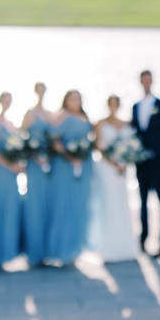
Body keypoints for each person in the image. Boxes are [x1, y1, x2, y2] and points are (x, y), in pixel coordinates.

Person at [132, 71, 160, 257]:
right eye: (143, 79)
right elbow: (134, 133)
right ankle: (143, 239)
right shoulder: (135, 106)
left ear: (152, 81)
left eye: (148, 79)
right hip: (141, 164)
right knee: (142, 203)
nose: (146, 82)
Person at [92, 95, 141, 263]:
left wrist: (125, 161)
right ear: (107, 105)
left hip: (123, 168)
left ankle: (126, 246)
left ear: (119, 105)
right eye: (110, 103)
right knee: (109, 203)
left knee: (122, 202)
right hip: (107, 167)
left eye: (116, 103)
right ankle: (109, 247)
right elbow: (99, 148)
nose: (113, 106)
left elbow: (132, 145)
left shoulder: (126, 124)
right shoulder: (100, 123)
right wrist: (114, 163)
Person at [48, 90, 93, 265]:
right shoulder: (64, 117)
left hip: (84, 165)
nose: (76, 101)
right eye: (72, 98)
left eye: (78, 98)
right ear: (66, 101)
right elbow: (53, 139)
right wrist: (69, 154)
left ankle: (77, 247)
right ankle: (64, 249)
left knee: (81, 206)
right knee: (66, 205)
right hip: (67, 166)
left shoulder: (84, 116)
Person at [0, 92, 24, 269]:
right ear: (0, 101)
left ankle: (8, 253)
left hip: (12, 173)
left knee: (11, 208)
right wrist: (11, 165)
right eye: (5, 99)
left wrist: (18, 164)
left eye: (10, 100)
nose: (7, 103)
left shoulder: (11, 124)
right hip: (1, 171)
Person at [21, 82, 52, 267]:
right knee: (35, 205)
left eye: (43, 89)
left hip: (48, 166)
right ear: (35, 91)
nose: (41, 92)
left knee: (48, 205)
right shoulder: (30, 113)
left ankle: (47, 250)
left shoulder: (49, 114)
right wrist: (33, 155)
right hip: (34, 165)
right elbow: (21, 138)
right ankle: (34, 252)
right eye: (39, 89)